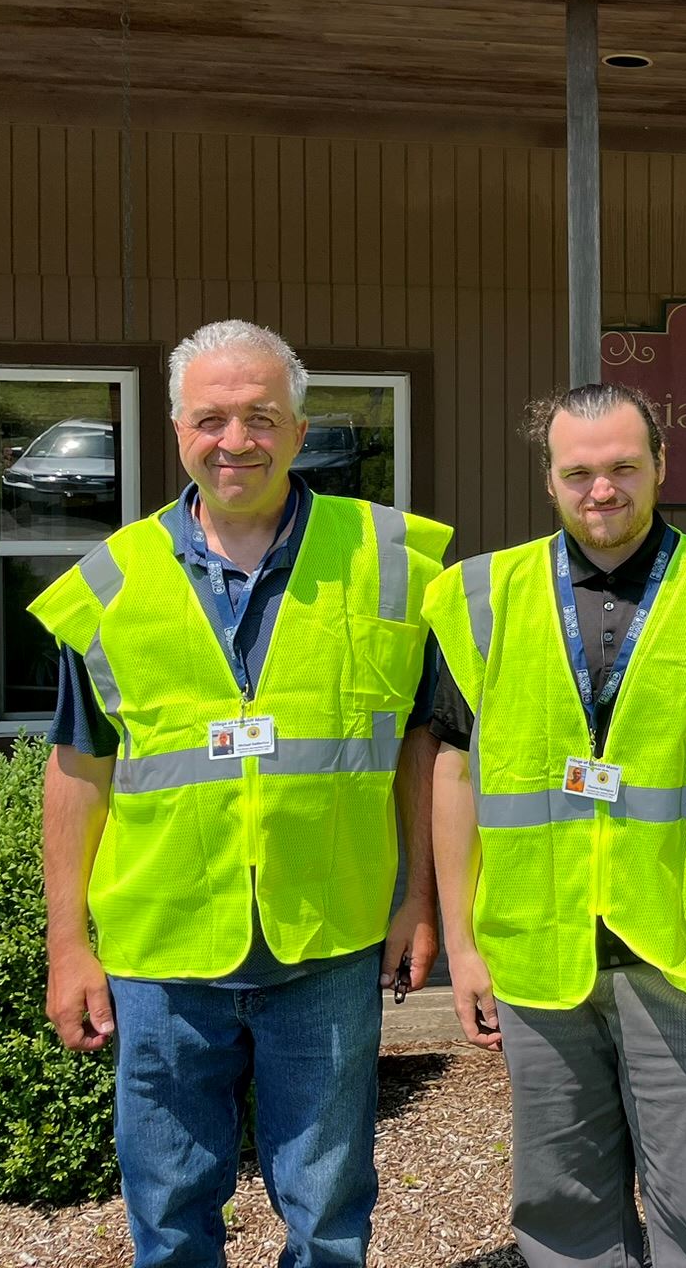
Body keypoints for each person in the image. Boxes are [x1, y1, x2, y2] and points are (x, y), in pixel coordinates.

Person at [32, 319, 451, 1268]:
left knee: (331, 1209)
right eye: (212, 419)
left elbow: (418, 747)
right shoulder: (110, 581)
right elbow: (77, 773)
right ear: (177, 430)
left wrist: (417, 899)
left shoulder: (390, 560)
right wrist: (68, 944)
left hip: (329, 940)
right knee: (170, 1210)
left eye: (262, 417)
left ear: (301, 432)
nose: (236, 441)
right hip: (161, 950)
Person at [423, 383, 686, 1268]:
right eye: (580, 473)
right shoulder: (482, 598)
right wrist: (464, 942)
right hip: (536, 946)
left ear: (662, 466)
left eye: (624, 468)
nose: (603, 490)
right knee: (562, 1203)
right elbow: (453, 770)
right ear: (551, 480)